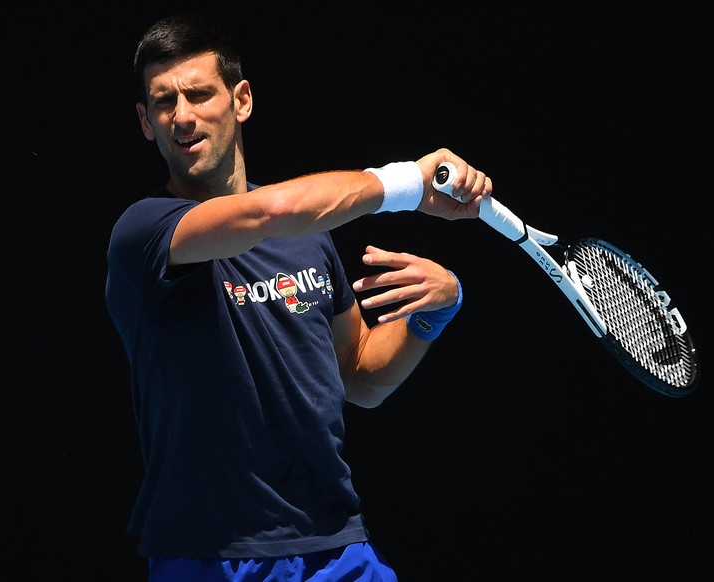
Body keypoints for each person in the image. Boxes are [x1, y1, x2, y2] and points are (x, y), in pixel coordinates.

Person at [105, 12, 492, 581]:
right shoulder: (146, 231)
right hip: (211, 556)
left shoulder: (309, 236)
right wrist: (408, 181)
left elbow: (359, 376)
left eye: (198, 94)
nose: (182, 116)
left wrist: (435, 312)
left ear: (241, 100)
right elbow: (271, 211)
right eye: (164, 102)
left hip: (336, 547)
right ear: (145, 121)